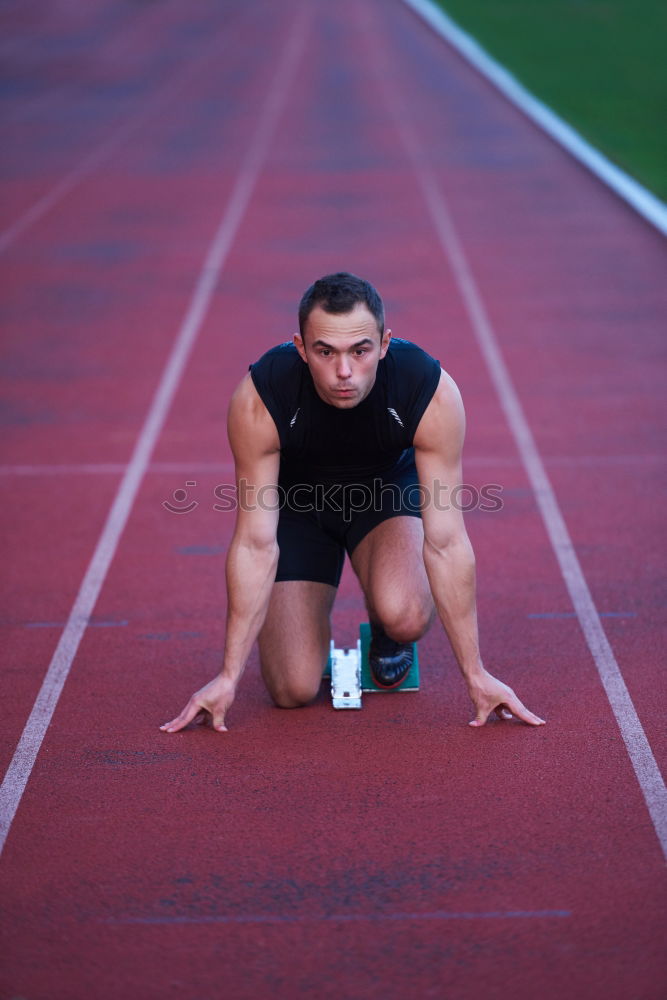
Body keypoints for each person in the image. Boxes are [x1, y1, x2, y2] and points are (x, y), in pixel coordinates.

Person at [161, 272, 545, 733]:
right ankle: (305, 633)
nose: (344, 372)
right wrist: (227, 676)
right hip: (299, 507)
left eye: (360, 351)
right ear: (301, 349)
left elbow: (447, 542)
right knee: (291, 690)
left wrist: (475, 674)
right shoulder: (260, 398)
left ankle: (385, 629)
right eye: (325, 352)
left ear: (385, 343)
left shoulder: (429, 390)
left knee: (403, 612)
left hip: (383, 495)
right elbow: (253, 544)